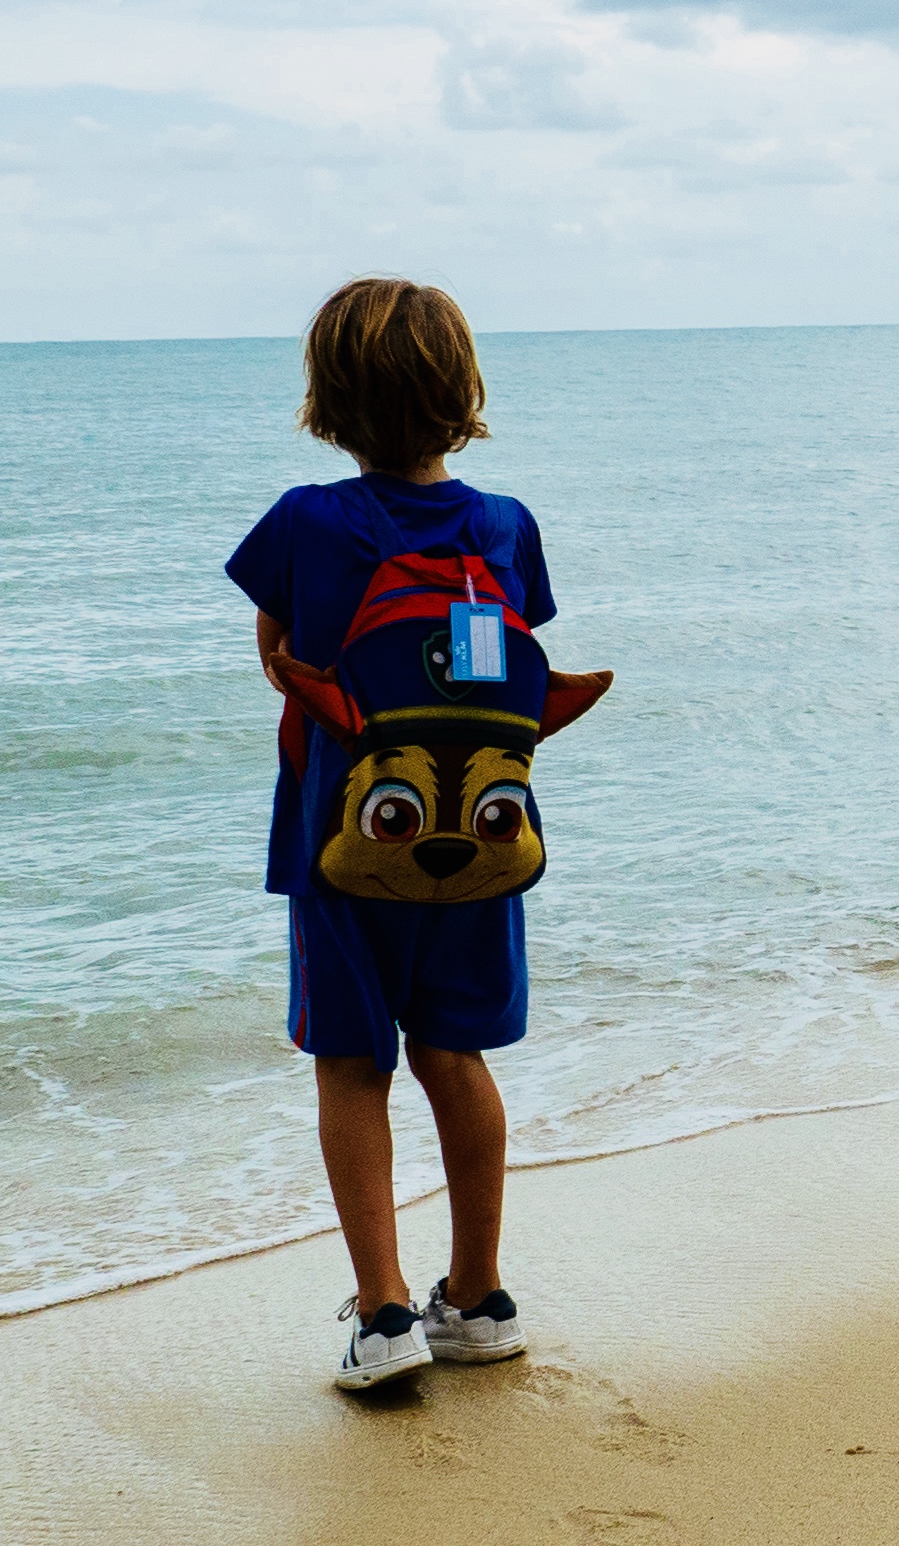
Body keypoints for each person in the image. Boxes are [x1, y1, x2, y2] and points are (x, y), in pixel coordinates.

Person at [226, 277, 607, 1392]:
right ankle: (479, 1298)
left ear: (329, 400)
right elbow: (511, 649)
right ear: (463, 389)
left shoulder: (306, 521)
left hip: (344, 846)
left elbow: (279, 655)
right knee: (454, 1053)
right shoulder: (505, 524)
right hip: (483, 842)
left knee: (353, 1065)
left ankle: (385, 1314)